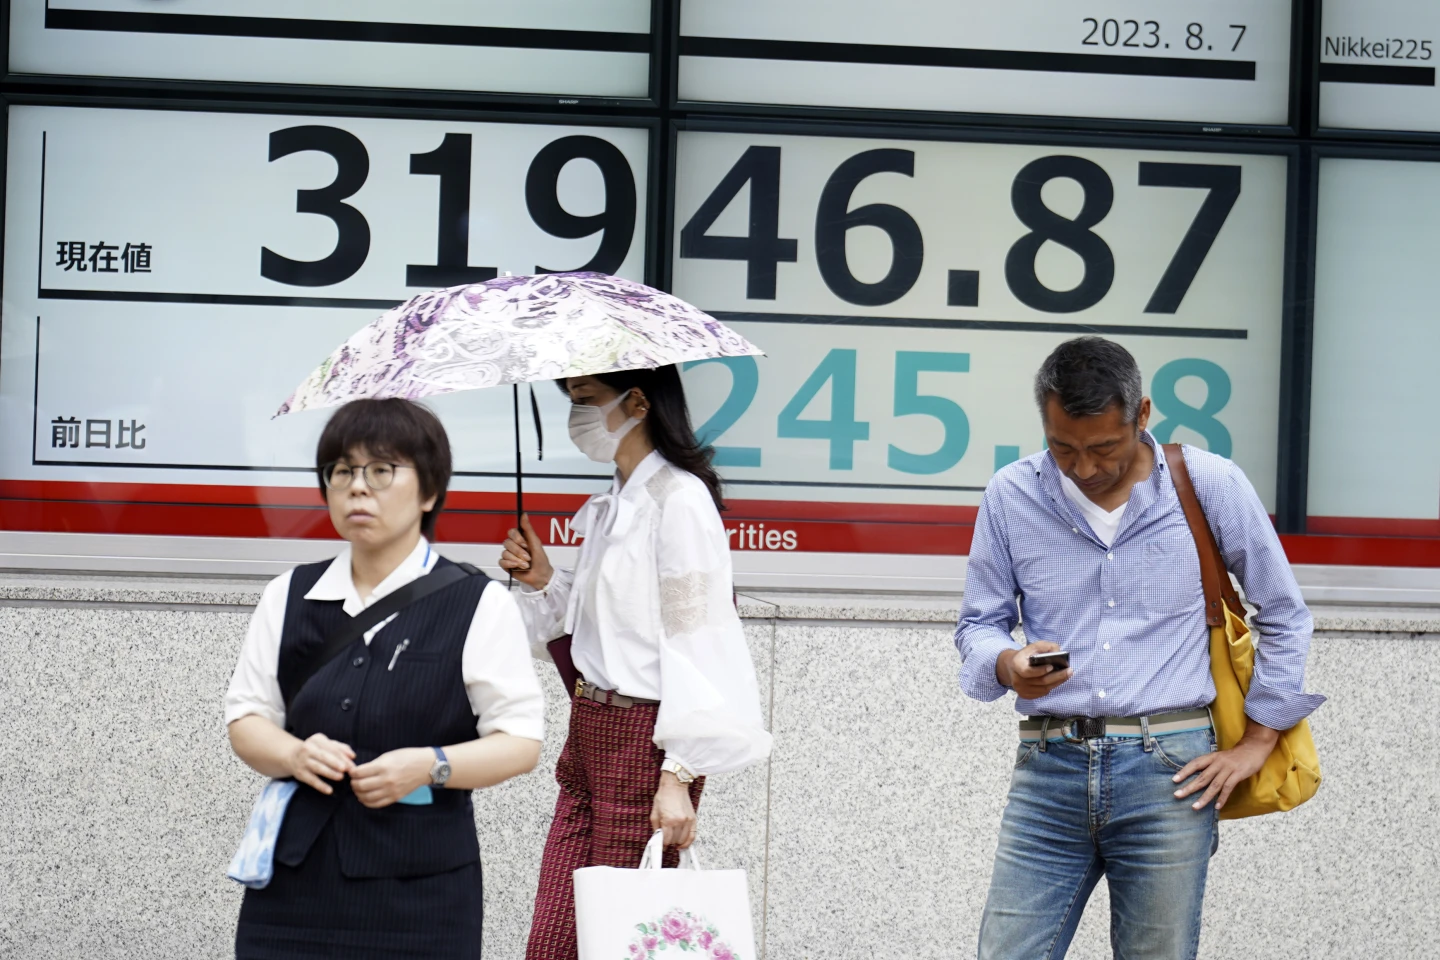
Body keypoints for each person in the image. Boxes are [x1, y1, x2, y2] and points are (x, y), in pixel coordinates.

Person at [955, 337, 1325, 960]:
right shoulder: (1010, 494)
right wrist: (1007, 664)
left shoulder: (1208, 483)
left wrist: (1257, 742)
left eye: (1103, 447)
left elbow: (1284, 614)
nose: (1084, 467)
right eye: (1062, 447)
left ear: (1142, 414)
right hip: (1049, 766)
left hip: (1171, 772)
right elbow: (978, 624)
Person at [225, 398, 545, 960]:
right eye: (342, 471)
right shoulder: (290, 595)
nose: (357, 487)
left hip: (422, 896)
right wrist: (295, 756)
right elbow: (248, 718)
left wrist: (431, 766)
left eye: (381, 470)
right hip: (294, 890)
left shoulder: (478, 603)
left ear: (428, 492)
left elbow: (520, 741)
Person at [498, 365, 771, 960]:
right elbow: (600, 626)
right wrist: (543, 580)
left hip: (645, 742)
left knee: (619, 939)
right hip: (590, 731)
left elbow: (699, 639)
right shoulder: (611, 504)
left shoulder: (678, 501)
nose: (577, 415)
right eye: (571, 399)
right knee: (555, 939)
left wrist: (679, 774)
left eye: (587, 399)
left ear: (638, 402)